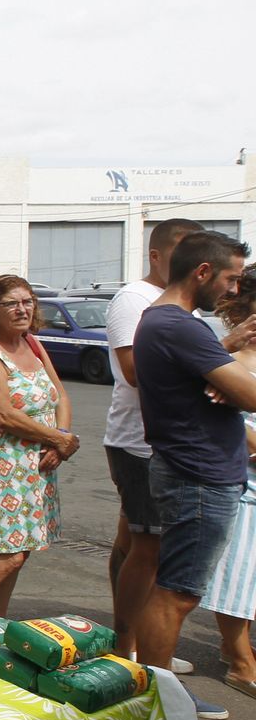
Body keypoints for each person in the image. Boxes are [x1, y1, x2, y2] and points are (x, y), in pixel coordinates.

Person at [134, 233, 256, 720]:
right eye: (229, 278)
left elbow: (234, 389)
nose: (232, 290)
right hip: (198, 476)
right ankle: (155, 710)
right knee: (177, 593)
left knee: (176, 589)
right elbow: (249, 394)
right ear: (202, 272)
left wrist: (226, 375)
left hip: (197, 471)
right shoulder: (176, 325)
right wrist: (233, 380)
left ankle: (163, 697)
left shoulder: (179, 324)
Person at [105, 219, 212, 661]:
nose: (194, 266)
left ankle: (134, 643)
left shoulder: (184, 304)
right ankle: (131, 651)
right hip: (140, 441)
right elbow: (135, 371)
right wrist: (210, 376)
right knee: (150, 548)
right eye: (183, 253)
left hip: (161, 442)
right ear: (156, 255)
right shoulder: (135, 299)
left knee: (135, 541)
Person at [0, 275, 77, 616]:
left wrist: (62, 436)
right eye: (11, 303)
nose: (21, 309)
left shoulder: (32, 344)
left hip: (37, 462)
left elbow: (61, 395)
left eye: (27, 301)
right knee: (8, 554)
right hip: (3, 463)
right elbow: (3, 415)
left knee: (19, 552)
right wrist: (57, 439)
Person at [203, 267, 256, 700]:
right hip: (242, 476)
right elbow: (227, 415)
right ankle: (241, 663)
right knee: (237, 572)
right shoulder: (229, 354)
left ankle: (232, 647)